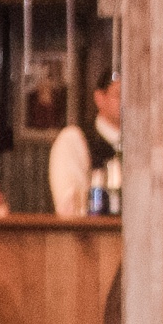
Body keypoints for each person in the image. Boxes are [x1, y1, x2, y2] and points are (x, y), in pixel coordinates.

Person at [48, 63, 119, 217]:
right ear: (100, 98)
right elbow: (69, 208)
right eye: (119, 95)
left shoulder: (145, 147)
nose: (127, 102)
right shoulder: (74, 140)